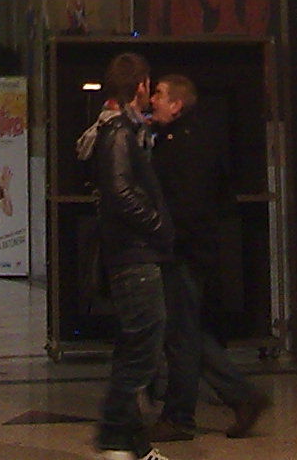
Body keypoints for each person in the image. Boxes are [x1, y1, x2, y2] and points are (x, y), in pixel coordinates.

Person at [146, 74, 268, 442]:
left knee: (182, 335)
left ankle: (184, 415)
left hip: (184, 251)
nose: (153, 100)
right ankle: (237, 397)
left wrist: (171, 240)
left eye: (160, 95)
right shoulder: (196, 138)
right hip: (193, 249)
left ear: (176, 104)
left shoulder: (181, 145)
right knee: (185, 332)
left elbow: (185, 202)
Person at [85, 51, 175, 460]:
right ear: (139, 85)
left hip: (132, 253)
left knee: (136, 346)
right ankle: (114, 436)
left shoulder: (124, 129)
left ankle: (133, 443)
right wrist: (157, 224)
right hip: (134, 254)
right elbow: (121, 193)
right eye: (148, 84)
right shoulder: (120, 133)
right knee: (143, 348)